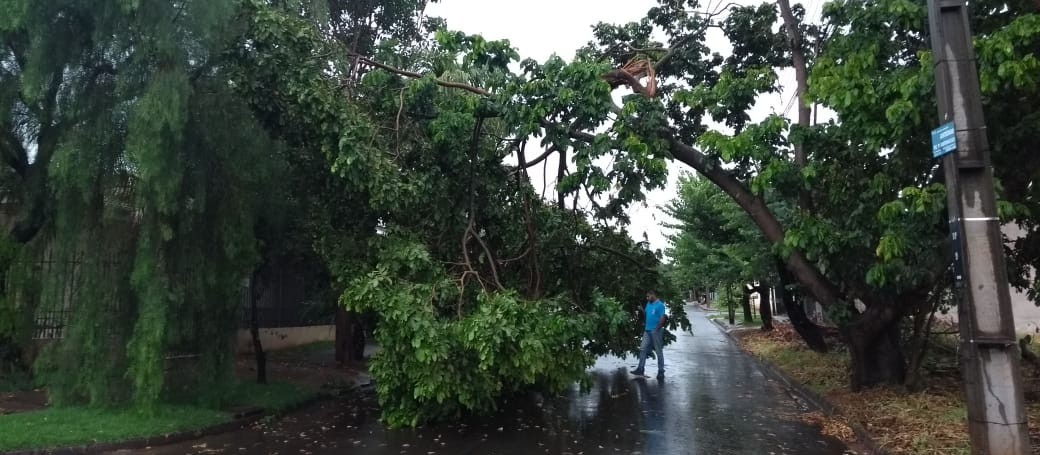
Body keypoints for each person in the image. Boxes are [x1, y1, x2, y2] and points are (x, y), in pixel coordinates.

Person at [631, 291, 667, 379]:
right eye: (646, 297)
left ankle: (661, 371)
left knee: (658, 351)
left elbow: (662, 318)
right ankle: (640, 369)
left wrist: (656, 329)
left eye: (648, 296)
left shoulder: (660, 305)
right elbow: (647, 314)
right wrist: (641, 310)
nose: (647, 298)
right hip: (647, 330)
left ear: (653, 295)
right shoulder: (648, 304)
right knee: (642, 348)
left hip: (656, 331)